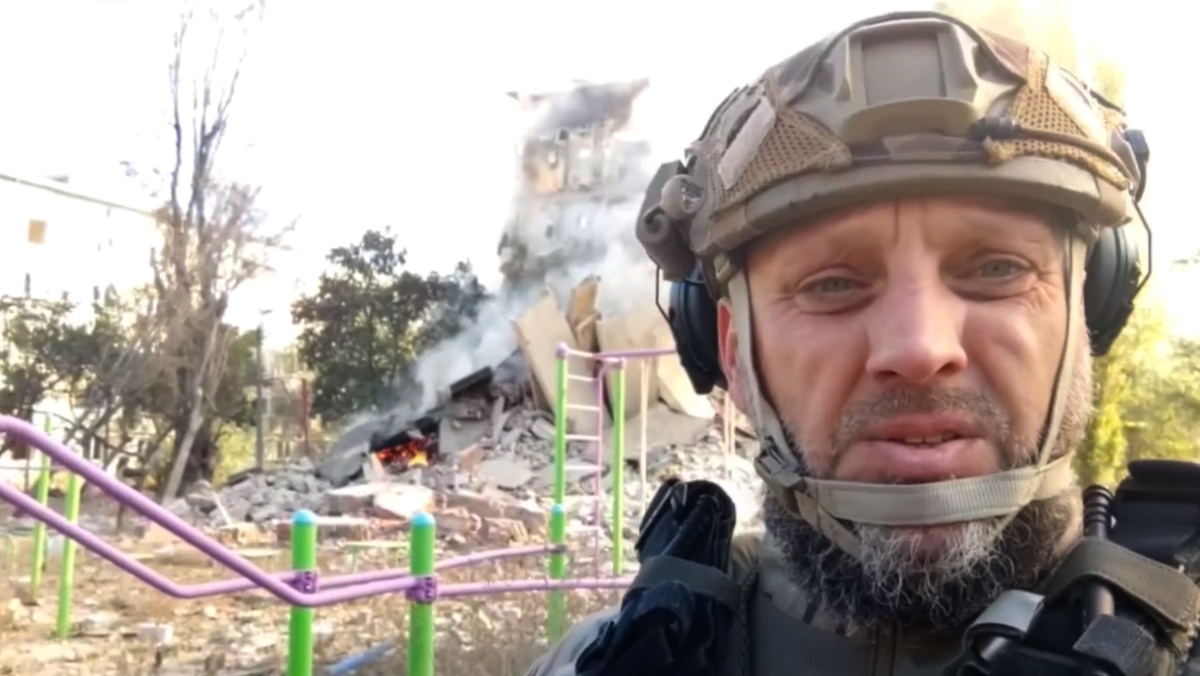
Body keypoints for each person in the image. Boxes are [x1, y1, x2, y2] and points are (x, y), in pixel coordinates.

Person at [525, 10, 1199, 676]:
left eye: (998, 269)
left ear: (1086, 311)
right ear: (732, 352)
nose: (919, 348)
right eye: (831, 284)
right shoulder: (601, 663)